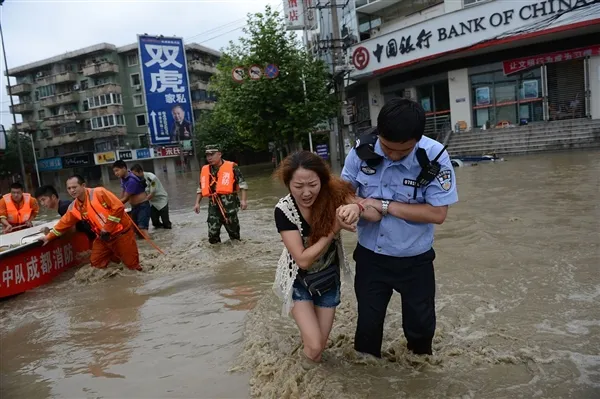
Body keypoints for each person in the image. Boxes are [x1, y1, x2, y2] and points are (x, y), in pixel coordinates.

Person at [338, 98, 458, 358]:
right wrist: (356, 207)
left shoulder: (434, 158)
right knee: (367, 334)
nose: (391, 156)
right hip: (371, 258)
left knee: (421, 335)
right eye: (386, 148)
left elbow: (437, 213)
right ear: (379, 133)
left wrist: (383, 206)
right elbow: (343, 191)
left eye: (401, 152)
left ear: (416, 140)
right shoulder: (361, 150)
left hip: (415, 261)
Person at [272, 151, 378, 365]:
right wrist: (334, 227)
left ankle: (311, 371)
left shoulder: (335, 193)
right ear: (287, 183)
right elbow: (302, 259)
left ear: (323, 179)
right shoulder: (284, 211)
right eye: (298, 186)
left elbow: (375, 214)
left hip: (328, 279)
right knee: (315, 346)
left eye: (312, 184)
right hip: (297, 280)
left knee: (319, 347)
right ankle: (299, 383)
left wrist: (356, 207)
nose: (306, 192)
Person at [38, 175, 142, 271]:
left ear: (83, 185)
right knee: (96, 265)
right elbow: (63, 224)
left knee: (132, 267)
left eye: (74, 187)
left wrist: (107, 228)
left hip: (121, 234)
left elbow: (118, 207)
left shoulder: (99, 192)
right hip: (103, 238)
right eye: (69, 188)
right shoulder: (74, 207)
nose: (72, 191)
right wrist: (48, 237)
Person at [193, 145, 248, 244]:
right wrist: (197, 203)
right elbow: (201, 188)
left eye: (212, 155)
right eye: (207, 155)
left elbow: (243, 184)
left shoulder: (232, 167)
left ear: (219, 154)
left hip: (230, 206)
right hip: (213, 207)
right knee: (212, 237)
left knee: (235, 237)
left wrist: (243, 200)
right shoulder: (206, 170)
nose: (209, 158)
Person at [112, 160, 151, 238]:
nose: (116, 173)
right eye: (114, 171)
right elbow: (123, 192)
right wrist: (116, 202)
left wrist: (114, 206)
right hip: (135, 207)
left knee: (142, 229)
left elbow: (126, 198)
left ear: (123, 168)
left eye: (117, 170)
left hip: (142, 206)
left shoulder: (131, 180)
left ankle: (152, 247)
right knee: (136, 231)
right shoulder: (123, 178)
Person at [130, 164, 171, 229]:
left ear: (140, 171)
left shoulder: (151, 177)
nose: (134, 177)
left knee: (166, 224)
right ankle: (161, 235)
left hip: (161, 200)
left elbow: (152, 194)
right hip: (152, 202)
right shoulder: (137, 180)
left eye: (135, 175)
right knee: (155, 223)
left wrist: (141, 202)